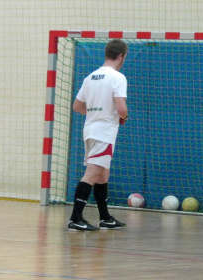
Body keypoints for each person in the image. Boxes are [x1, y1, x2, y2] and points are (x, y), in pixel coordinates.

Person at [67, 39, 129, 231]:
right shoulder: (117, 78)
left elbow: (77, 106)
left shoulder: (90, 77)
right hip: (104, 132)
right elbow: (122, 109)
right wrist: (123, 117)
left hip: (90, 130)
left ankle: (105, 218)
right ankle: (75, 218)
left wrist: (96, 113)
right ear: (121, 56)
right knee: (93, 173)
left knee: (103, 173)